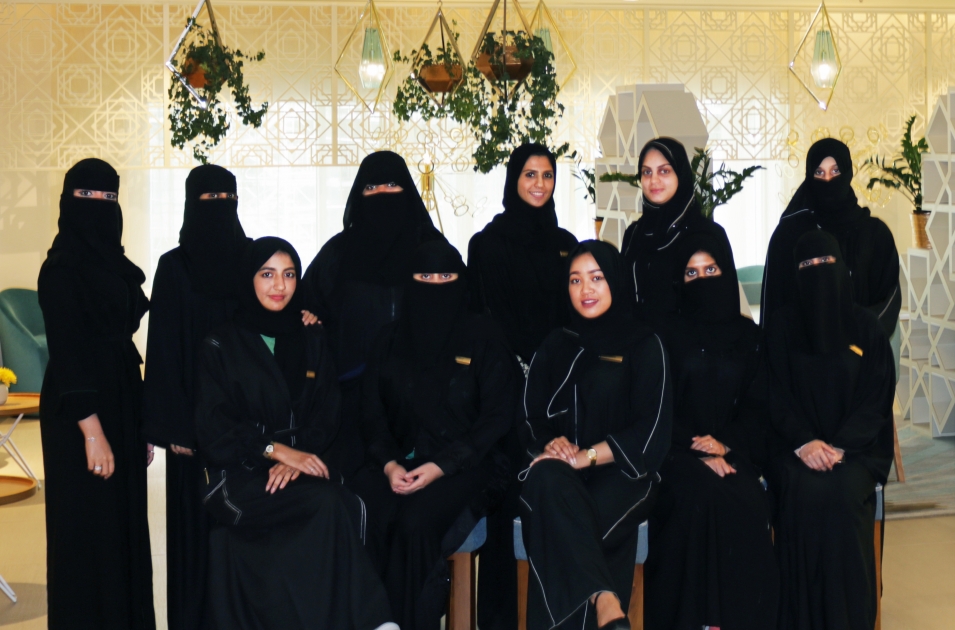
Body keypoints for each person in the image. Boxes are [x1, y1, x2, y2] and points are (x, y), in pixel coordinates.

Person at [194, 237, 397, 630]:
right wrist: (277, 451)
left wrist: (298, 455)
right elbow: (215, 428)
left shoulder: (311, 336)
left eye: (289, 275)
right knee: (331, 502)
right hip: (236, 476)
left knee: (347, 503)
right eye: (267, 274)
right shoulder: (220, 344)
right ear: (249, 279)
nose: (279, 286)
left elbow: (327, 411)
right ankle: (375, 621)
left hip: (300, 463)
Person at [350, 239, 517, 629]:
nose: (436, 285)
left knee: (415, 523)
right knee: (360, 507)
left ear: (462, 280)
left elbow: (496, 418)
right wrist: (389, 464)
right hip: (396, 461)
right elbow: (371, 413)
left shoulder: (485, 336)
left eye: (446, 276)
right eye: (425, 276)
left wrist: (441, 466)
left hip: (470, 465)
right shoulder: (389, 340)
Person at [519, 240, 672, 630]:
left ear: (615, 281)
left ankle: (602, 600)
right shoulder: (556, 344)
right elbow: (529, 415)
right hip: (560, 473)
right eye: (575, 280)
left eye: (596, 278)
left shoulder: (645, 344)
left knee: (565, 527)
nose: (585, 289)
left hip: (623, 473)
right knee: (545, 480)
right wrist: (550, 444)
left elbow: (651, 432)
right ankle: (605, 600)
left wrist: (586, 456)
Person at [37, 158, 155, 628]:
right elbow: (68, 353)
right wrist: (92, 432)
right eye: (86, 195)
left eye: (109, 196)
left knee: (122, 524)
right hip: (79, 410)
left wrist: (140, 422)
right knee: (87, 529)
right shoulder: (60, 269)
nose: (99, 205)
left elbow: (123, 342)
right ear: (67, 201)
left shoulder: (113, 264)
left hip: (121, 398)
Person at [467, 143, 578, 629]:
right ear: (514, 179)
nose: (539, 184)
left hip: (559, 392)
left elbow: (576, 319)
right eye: (530, 174)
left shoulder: (567, 244)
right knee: (507, 498)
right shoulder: (486, 243)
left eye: (548, 175)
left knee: (556, 492)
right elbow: (480, 319)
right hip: (504, 392)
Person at [645, 233, 778, 630]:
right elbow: (656, 405)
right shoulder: (662, 335)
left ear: (727, 272)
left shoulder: (750, 337)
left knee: (745, 499)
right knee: (699, 498)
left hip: (734, 451)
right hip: (674, 453)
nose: (701, 279)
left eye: (711, 270)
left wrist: (725, 444)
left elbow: (759, 406)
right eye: (691, 273)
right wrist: (696, 449)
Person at [766, 230, 895, 630]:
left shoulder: (867, 327)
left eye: (826, 262)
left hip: (855, 454)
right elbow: (773, 394)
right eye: (807, 265)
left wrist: (840, 447)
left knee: (841, 497)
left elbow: (876, 399)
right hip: (793, 451)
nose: (818, 272)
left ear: (842, 267)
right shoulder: (781, 328)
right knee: (802, 495)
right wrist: (804, 442)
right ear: (795, 273)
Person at [142, 164, 249, 630]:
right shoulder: (173, 266)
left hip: (247, 431)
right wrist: (173, 428)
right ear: (189, 204)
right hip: (191, 433)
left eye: (227, 198)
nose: (219, 207)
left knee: (242, 535)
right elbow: (162, 348)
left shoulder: (252, 260)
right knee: (193, 538)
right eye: (209, 199)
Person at [303, 151, 444, 480]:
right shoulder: (338, 252)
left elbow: (458, 305)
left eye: (392, 185)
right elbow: (308, 301)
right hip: (350, 395)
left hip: (423, 395)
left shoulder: (431, 249)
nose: (382, 194)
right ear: (358, 194)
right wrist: (308, 316)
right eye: (371, 187)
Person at [761, 138, 900, 336]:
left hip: (861, 350)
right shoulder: (789, 234)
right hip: (801, 352)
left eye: (835, 171)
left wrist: (854, 339)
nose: (828, 180)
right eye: (819, 173)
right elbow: (774, 306)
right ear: (809, 176)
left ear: (848, 173)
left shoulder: (874, 234)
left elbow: (887, 302)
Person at [620, 137, 735, 322]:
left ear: (680, 175)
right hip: (640, 339)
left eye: (664, 171)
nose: (653, 180)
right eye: (647, 172)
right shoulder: (634, 234)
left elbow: (724, 303)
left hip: (691, 339)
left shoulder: (707, 235)